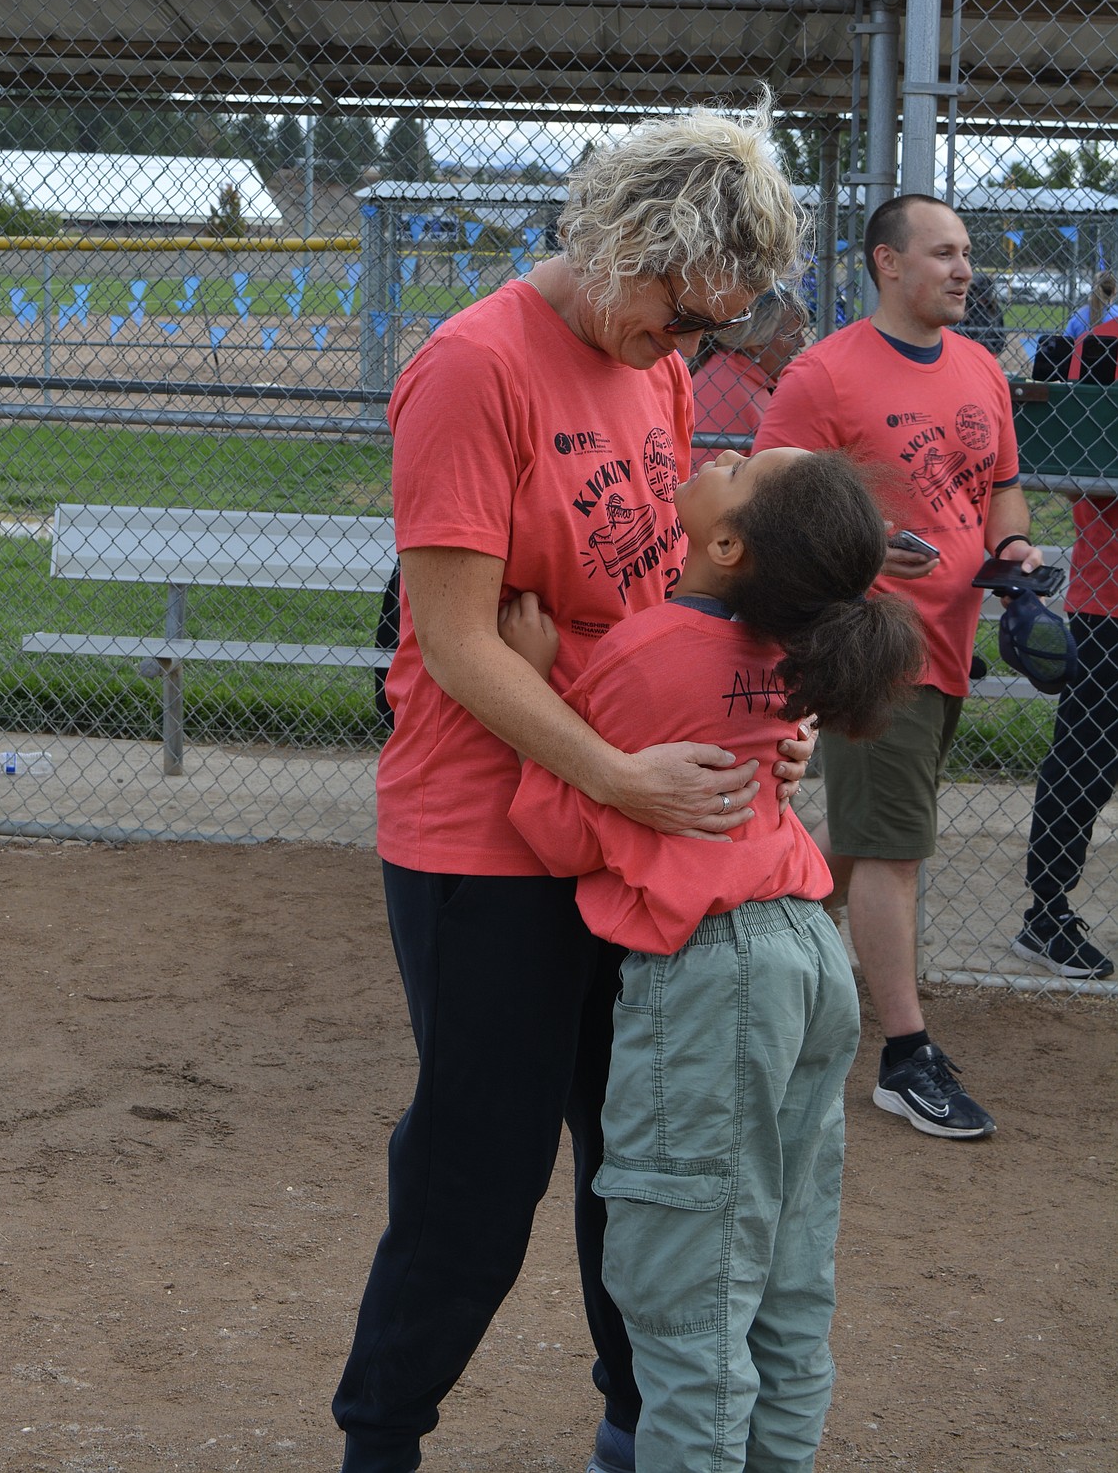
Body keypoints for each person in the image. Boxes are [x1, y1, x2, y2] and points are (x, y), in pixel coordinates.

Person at [333, 106, 815, 1473]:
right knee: (478, 1165)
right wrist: (617, 770)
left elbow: (666, 593)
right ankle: (381, 1438)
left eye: (706, 330)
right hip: (479, 832)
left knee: (639, 1151)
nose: (688, 353)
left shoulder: (646, 366)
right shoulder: (474, 367)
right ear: (623, 244)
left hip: (624, 825)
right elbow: (455, 636)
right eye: (678, 318)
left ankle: (637, 1426)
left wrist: (748, 720)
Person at [502, 446, 924, 1473]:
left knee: (688, 1298)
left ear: (726, 544)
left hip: (716, 975)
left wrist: (529, 682)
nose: (719, 453)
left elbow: (559, 828)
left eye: (737, 469)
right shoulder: (793, 649)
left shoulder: (648, 651)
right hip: (808, 956)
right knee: (784, 1279)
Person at [753, 192, 1043, 1140]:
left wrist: (1015, 561)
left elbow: (1001, 491)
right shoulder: (825, 374)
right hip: (873, 642)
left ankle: (748, 962)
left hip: (953, 640)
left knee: (862, 840)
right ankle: (905, 1055)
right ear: (886, 262)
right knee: (893, 851)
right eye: (944, 253)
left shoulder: (978, 369)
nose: (965, 269)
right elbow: (763, 500)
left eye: (968, 254)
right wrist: (867, 542)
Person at [1013, 313, 1117, 979]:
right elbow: (1083, 466)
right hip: (1109, 597)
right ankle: (1045, 913)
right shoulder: (1105, 343)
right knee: (1085, 760)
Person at [690, 283, 808, 444]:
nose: (802, 343)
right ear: (758, 343)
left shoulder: (734, 372)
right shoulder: (733, 387)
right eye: (793, 334)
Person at [1062, 269, 1117, 344]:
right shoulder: (1115, 314)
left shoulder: (1078, 316)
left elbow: (1066, 343)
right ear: (1114, 291)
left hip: (1080, 355)